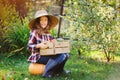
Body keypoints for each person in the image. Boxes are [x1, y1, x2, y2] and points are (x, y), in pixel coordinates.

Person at [27, 10, 70, 78]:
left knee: (66, 55)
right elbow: (29, 46)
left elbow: (50, 41)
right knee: (61, 56)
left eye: (45, 20)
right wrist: (39, 45)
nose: (44, 22)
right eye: (41, 20)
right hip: (38, 56)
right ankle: (47, 73)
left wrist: (53, 41)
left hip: (47, 54)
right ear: (38, 22)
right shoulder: (34, 32)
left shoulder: (47, 33)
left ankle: (59, 71)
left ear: (48, 21)